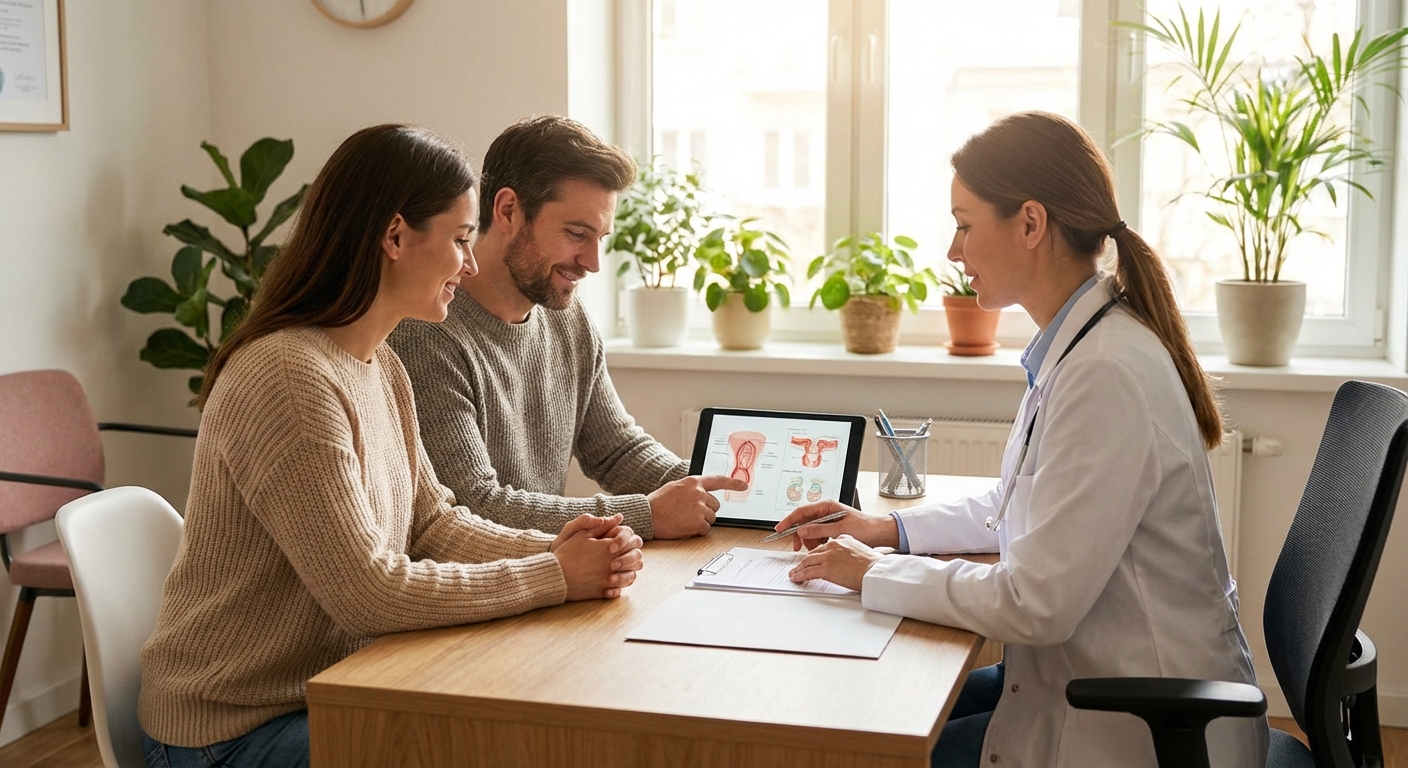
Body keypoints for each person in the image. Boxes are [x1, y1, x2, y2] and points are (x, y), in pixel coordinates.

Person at [139, 124, 643, 768]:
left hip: (336, 689)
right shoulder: (290, 377)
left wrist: (569, 546)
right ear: (396, 237)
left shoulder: (378, 364)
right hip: (233, 729)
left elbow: (433, 523)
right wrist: (552, 574)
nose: (469, 260)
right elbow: (369, 593)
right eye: (460, 239)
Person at [777, 112, 1268, 768]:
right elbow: (1017, 508)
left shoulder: (1105, 372)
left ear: (1030, 223)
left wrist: (875, 573)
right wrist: (886, 529)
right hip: (1094, 682)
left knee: (877, 741)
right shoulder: (1085, 347)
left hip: (1141, 727)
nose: (954, 252)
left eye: (964, 224)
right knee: (893, 705)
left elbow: (1034, 604)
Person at [388, 115, 744, 540]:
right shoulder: (426, 331)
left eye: (600, 238)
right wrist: (646, 514)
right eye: (577, 233)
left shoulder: (565, 317)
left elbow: (617, 451)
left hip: (552, 576)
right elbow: (474, 506)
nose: (592, 262)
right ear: (508, 211)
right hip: (487, 588)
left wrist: (736, 490)